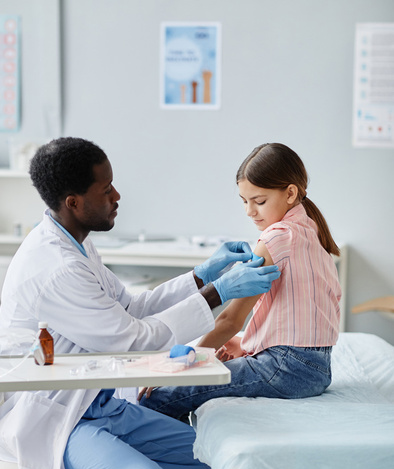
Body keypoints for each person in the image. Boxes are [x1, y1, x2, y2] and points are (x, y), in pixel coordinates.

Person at [0, 137, 280, 469]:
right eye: (106, 188)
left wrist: (200, 275)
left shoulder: (76, 243)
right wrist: (217, 294)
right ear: (73, 201)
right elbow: (133, 338)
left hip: (93, 402)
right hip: (57, 413)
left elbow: (131, 307)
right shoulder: (55, 268)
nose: (117, 195)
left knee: (205, 454)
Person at [140, 142, 342, 425]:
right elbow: (293, 317)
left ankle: (187, 467)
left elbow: (229, 320)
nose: (249, 211)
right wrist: (247, 344)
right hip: (317, 369)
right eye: (244, 201)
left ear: (290, 193)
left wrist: (185, 367)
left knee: (158, 396)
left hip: (285, 368)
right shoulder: (312, 231)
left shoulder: (275, 238)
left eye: (259, 201)